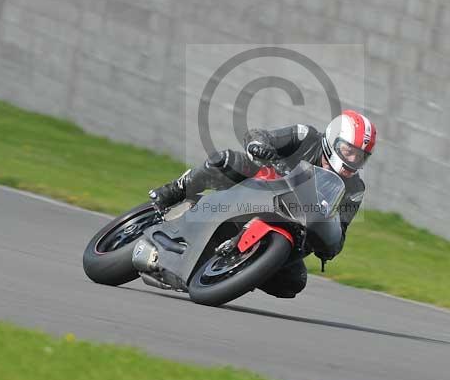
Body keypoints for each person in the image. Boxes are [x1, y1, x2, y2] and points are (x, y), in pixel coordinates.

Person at [148, 110, 377, 298]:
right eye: (349, 151)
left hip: (297, 227)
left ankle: (236, 271)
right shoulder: (306, 136)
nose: (353, 160)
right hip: (261, 187)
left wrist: (330, 242)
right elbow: (261, 135)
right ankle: (175, 191)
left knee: (293, 283)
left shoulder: (355, 189)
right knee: (226, 161)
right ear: (333, 139)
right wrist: (259, 145)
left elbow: (342, 229)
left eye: (360, 156)